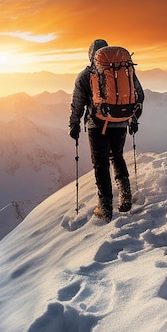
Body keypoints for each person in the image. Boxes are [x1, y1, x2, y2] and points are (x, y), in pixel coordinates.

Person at [69, 39, 144, 222]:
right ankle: (125, 194)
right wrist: (133, 118)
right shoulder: (124, 70)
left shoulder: (86, 75)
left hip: (97, 125)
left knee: (100, 164)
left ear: (91, 55)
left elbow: (77, 103)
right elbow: (139, 95)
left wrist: (74, 124)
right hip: (121, 122)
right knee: (116, 156)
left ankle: (105, 207)